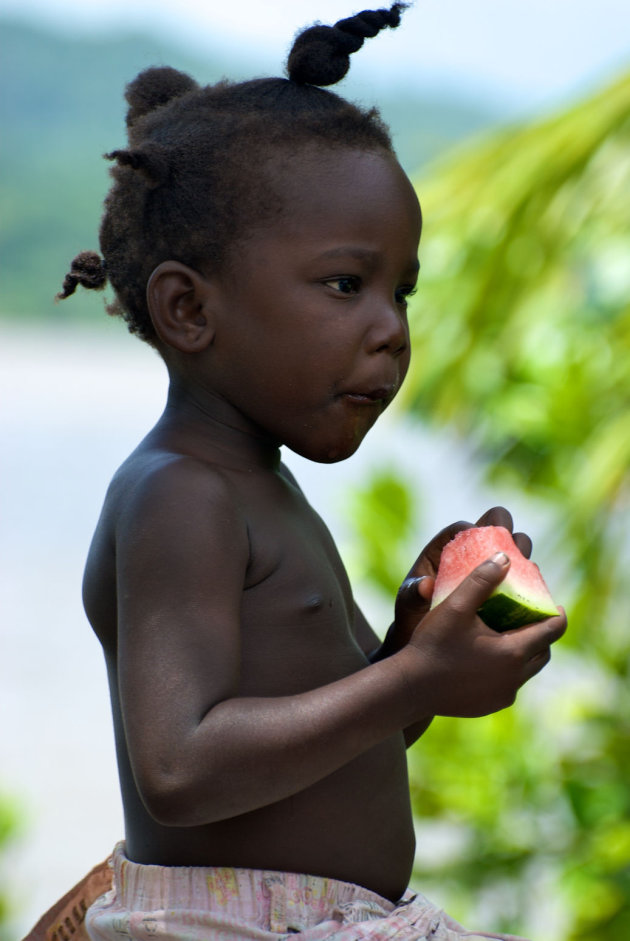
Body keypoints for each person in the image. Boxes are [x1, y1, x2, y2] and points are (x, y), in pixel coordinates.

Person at [31, 5, 566, 940]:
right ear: (190, 309)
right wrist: (413, 680)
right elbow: (182, 768)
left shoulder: (263, 488)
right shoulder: (180, 493)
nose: (391, 327)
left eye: (402, 290)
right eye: (344, 285)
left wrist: (412, 649)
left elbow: (348, 733)